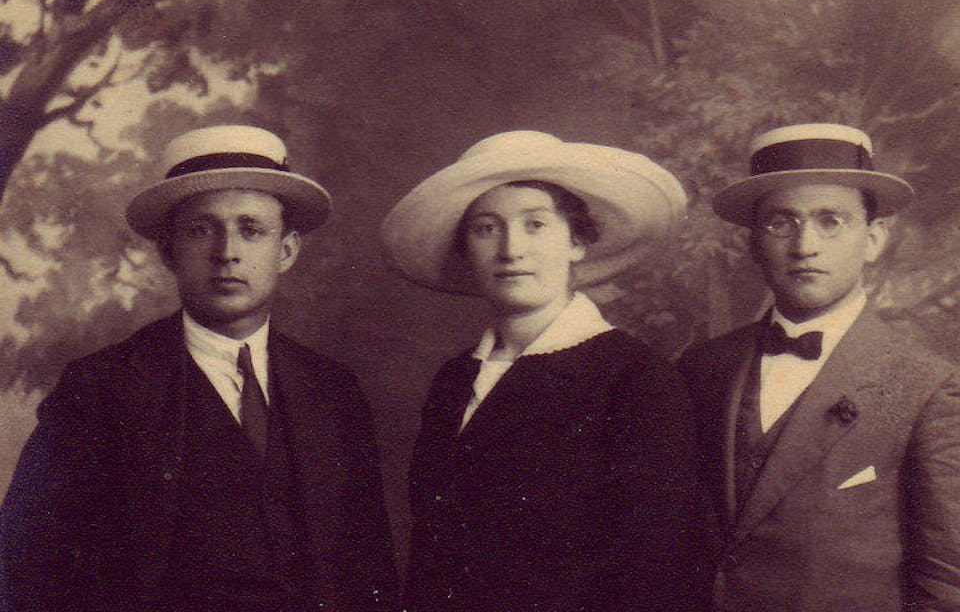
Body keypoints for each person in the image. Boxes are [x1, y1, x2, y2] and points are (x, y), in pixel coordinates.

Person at [0, 125, 397, 611]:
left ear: (286, 251)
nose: (226, 252)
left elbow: (370, 568)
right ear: (169, 252)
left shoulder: (334, 390)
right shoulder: (102, 387)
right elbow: (25, 565)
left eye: (251, 230)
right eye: (202, 229)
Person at [381, 130, 711, 611]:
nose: (511, 249)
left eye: (535, 225)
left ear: (577, 241)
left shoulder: (636, 379)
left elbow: (654, 572)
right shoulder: (453, 380)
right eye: (487, 228)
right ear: (465, 249)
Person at [678, 123, 960, 611]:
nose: (804, 245)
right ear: (752, 245)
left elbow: (944, 580)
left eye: (831, 220)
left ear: (873, 239)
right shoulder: (701, 367)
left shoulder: (925, 386)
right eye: (780, 222)